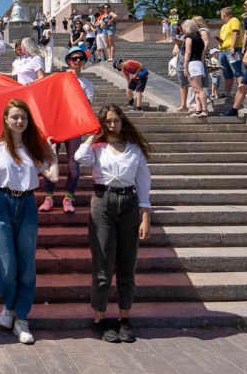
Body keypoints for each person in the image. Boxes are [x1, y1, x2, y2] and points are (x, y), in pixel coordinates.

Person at [0, 99, 58, 344]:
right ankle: (9, 307)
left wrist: (53, 155)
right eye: (14, 117)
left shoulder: (34, 147)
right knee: (6, 264)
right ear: (5, 120)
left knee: (26, 265)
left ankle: (20, 317)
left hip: (27, 204)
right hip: (0, 203)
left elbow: (52, 176)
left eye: (23, 117)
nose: (19, 121)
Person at [76, 104, 152, 343]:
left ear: (122, 121)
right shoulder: (97, 148)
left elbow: (143, 182)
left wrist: (145, 216)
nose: (112, 125)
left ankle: (124, 319)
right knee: (103, 265)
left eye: (116, 120)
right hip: (102, 202)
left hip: (129, 203)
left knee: (127, 266)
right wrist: (92, 133)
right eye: (107, 121)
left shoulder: (134, 149)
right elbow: (80, 157)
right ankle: (100, 319)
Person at [40, 47, 94, 214]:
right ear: (68, 61)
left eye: (80, 58)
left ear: (84, 62)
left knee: (73, 163)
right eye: (74, 58)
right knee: (50, 159)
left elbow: (86, 107)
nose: (77, 61)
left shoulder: (87, 83)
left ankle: (68, 197)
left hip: (74, 127)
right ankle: (48, 197)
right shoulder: (60, 78)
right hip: (56, 125)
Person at [181, 20, 209, 118]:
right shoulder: (199, 37)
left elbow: (188, 52)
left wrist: (185, 66)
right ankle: (198, 110)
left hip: (193, 63)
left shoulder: (189, 37)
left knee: (198, 89)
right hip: (198, 63)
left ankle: (204, 110)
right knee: (196, 89)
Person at [217, 7, 244, 97]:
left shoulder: (234, 20)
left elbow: (236, 33)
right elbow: (224, 37)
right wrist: (219, 40)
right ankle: (227, 93)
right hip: (223, 50)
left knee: (237, 71)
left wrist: (233, 47)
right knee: (226, 73)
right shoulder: (224, 26)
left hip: (232, 49)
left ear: (224, 15)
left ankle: (242, 91)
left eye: (221, 15)